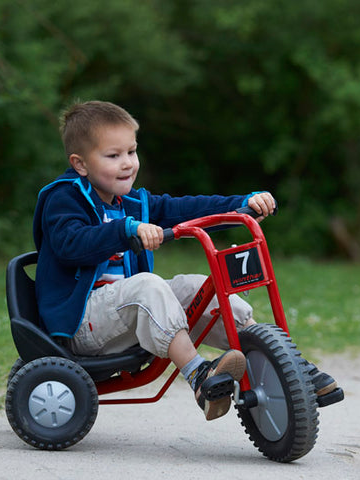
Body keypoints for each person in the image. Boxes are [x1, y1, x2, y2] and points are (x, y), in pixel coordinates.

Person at [33, 100, 339, 420]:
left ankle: (287, 366)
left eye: (131, 152)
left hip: (125, 317)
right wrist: (125, 231)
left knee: (198, 287)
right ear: (80, 164)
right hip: (81, 323)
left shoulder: (134, 202)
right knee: (148, 286)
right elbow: (70, 244)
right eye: (113, 156)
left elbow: (187, 209)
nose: (127, 164)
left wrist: (241, 205)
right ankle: (199, 377)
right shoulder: (64, 198)